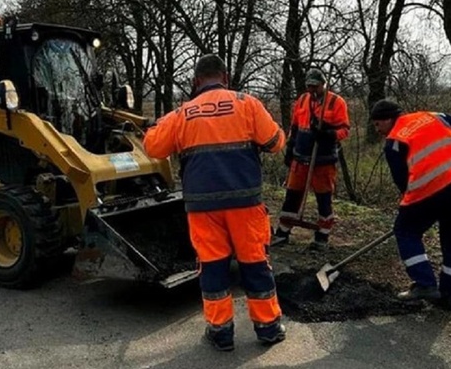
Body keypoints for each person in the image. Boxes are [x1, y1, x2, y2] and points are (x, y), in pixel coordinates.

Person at [143, 53, 287, 351]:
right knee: (255, 263)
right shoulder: (247, 103)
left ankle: (221, 333)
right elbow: (276, 143)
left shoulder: (182, 113)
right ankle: (268, 328)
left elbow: (153, 147)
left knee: (212, 267)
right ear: (226, 77)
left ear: (196, 81)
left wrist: (161, 122)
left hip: (202, 208)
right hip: (245, 204)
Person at [369, 99, 451, 313]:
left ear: (388, 119)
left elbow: (403, 182)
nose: (377, 130)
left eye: (377, 124)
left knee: (405, 230)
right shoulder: (433, 116)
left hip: (432, 187)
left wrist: (408, 207)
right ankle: (450, 296)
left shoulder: (394, 141)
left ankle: (424, 283)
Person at [272, 68, 350, 249]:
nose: (312, 90)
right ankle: (283, 231)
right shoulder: (302, 100)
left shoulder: (336, 102)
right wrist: (290, 149)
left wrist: (328, 134)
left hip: (323, 159)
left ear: (323, 84)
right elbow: (295, 126)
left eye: (315, 86)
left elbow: (344, 130)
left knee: (323, 198)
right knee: (292, 195)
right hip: (300, 157)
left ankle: (322, 235)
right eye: (309, 86)